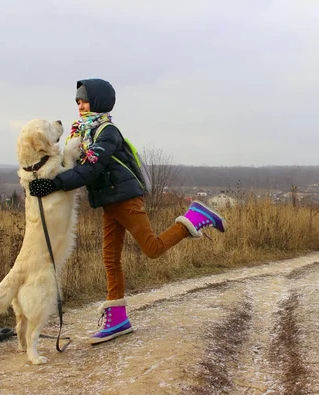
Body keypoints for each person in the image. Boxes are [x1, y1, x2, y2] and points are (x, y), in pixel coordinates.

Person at [28, 78, 226, 344]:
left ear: (98, 101)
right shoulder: (84, 133)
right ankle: (118, 317)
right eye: (77, 101)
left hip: (125, 200)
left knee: (152, 248)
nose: (80, 105)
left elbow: (91, 170)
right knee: (110, 259)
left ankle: (194, 218)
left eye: (84, 100)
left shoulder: (107, 132)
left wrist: (52, 185)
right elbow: (76, 166)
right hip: (109, 203)